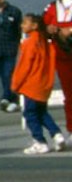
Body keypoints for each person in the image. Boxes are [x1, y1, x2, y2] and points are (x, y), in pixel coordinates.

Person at [12, 13, 66, 155]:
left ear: (34, 26)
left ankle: (39, 141)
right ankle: (57, 135)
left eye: (25, 23)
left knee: (30, 114)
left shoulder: (29, 43)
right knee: (42, 112)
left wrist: (15, 85)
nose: (22, 25)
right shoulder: (45, 43)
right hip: (44, 84)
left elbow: (24, 67)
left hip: (31, 85)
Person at [43, 0, 72, 108]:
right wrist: (49, 28)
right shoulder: (53, 6)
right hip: (62, 54)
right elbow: (43, 24)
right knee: (69, 92)